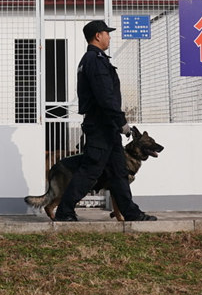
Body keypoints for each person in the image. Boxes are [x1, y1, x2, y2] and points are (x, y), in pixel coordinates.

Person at [53, 20, 157, 222]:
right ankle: (64, 211)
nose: (109, 37)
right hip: (102, 126)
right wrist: (121, 122)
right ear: (98, 36)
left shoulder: (92, 59)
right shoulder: (95, 60)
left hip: (107, 127)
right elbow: (105, 96)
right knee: (90, 171)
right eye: (107, 33)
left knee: (119, 172)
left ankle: (131, 212)